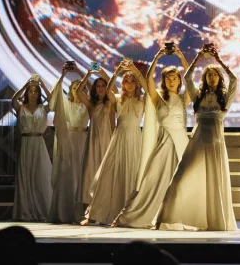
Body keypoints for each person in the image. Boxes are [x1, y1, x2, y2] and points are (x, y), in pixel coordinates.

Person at [157, 45, 238, 231]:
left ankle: (213, 220)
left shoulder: (224, 98)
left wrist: (218, 60)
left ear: (219, 78)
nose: (212, 77)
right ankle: (165, 218)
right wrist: (198, 57)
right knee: (180, 177)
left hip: (215, 145)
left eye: (215, 75)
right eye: (208, 75)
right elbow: (187, 78)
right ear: (205, 78)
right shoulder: (198, 96)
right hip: (197, 142)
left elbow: (234, 80)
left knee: (213, 184)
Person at [114, 44, 191, 229]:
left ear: (179, 81)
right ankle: (140, 214)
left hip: (181, 143)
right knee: (152, 178)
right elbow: (148, 79)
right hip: (163, 143)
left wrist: (181, 56)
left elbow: (190, 77)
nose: (171, 81)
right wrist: (157, 57)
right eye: (168, 78)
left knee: (182, 180)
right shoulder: (158, 99)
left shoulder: (184, 99)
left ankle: (175, 217)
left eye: (175, 78)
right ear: (163, 81)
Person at [83, 59, 147, 225]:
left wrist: (134, 70)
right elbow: (109, 89)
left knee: (132, 172)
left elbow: (147, 87)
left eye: (132, 81)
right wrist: (117, 72)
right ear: (123, 84)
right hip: (119, 137)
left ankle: (128, 214)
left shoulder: (142, 99)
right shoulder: (118, 98)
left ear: (137, 84)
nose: (129, 84)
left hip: (134, 137)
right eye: (126, 81)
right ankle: (103, 212)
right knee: (111, 172)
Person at [47, 61, 90, 223]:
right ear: (70, 90)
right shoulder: (67, 104)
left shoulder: (87, 105)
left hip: (83, 140)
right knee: (68, 174)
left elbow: (92, 89)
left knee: (82, 174)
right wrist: (63, 75)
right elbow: (55, 94)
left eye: (80, 88)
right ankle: (64, 211)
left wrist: (80, 72)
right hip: (69, 140)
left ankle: (81, 212)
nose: (77, 90)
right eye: (74, 87)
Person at [11, 75, 52, 221]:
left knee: (41, 175)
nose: (33, 94)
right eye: (30, 91)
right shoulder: (21, 108)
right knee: (26, 175)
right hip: (26, 142)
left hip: (39, 142)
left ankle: (44, 209)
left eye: (35, 91)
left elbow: (52, 100)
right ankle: (26, 211)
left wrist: (43, 85)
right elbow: (13, 100)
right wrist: (25, 85)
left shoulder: (43, 108)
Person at [79, 64, 115, 216]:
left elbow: (115, 88)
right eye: (98, 86)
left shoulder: (111, 102)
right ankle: (89, 211)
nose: (100, 88)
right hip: (93, 143)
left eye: (103, 85)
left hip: (108, 140)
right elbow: (79, 92)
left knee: (106, 174)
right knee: (90, 172)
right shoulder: (91, 105)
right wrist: (87, 74)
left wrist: (102, 72)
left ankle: (105, 210)